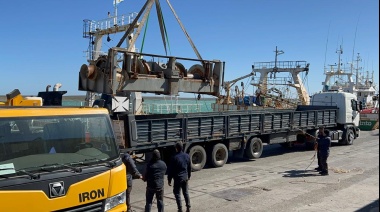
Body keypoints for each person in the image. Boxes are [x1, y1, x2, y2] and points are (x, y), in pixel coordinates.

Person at [168, 142, 191, 212]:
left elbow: (171, 170)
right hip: (185, 177)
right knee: (185, 192)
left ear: (176, 148)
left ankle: (180, 209)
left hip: (178, 178)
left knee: (177, 193)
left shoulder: (174, 157)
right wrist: (189, 176)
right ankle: (188, 207)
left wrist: (169, 179)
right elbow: (189, 167)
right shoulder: (187, 156)